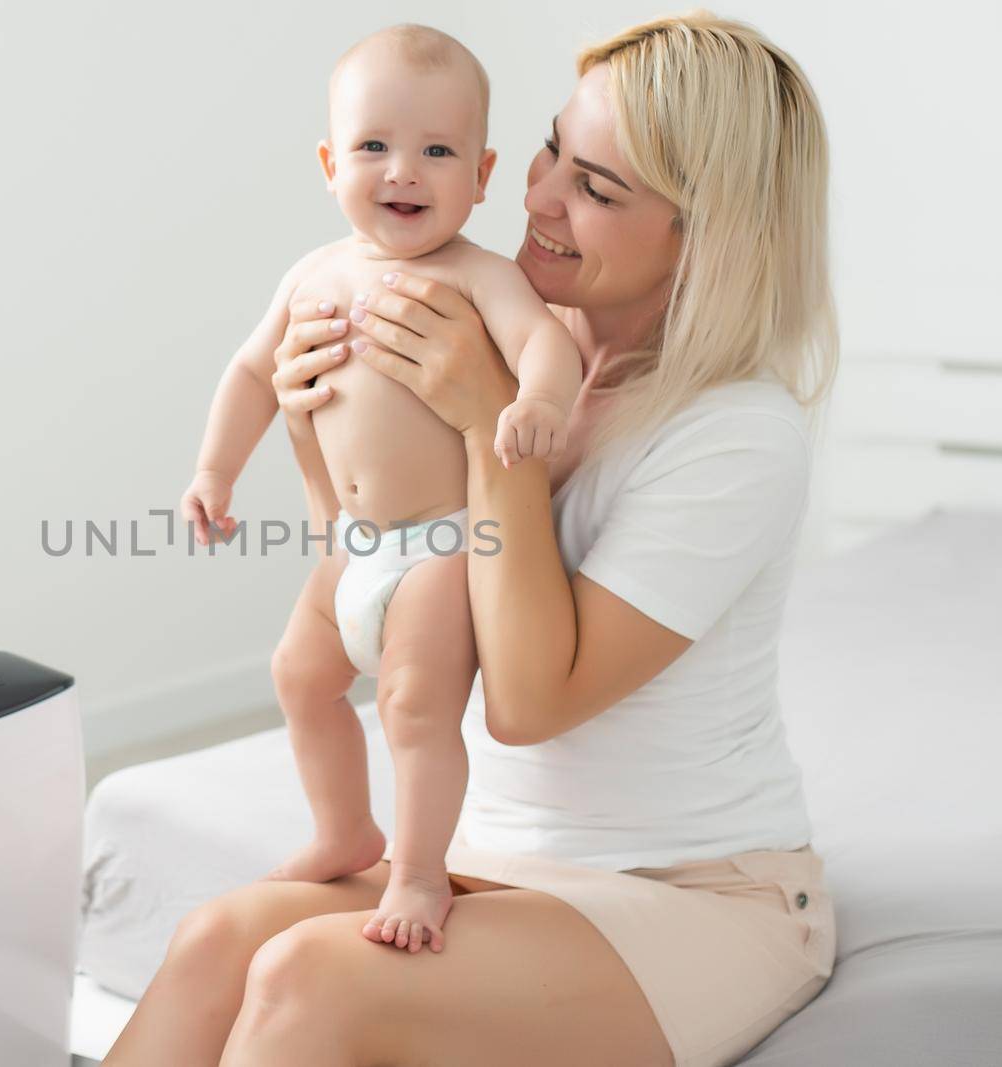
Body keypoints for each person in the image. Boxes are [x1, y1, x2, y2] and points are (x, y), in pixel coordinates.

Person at [110, 10, 839, 1066]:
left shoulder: (734, 434)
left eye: (597, 188)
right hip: (494, 853)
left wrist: (486, 424)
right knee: (215, 937)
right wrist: (308, 429)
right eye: (551, 149)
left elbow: (529, 701)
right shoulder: (514, 329)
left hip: (691, 888)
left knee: (304, 977)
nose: (538, 197)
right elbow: (370, 552)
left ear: (706, 231)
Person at [178, 23, 582, 952]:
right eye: (375, 146)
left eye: (437, 151)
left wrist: (542, 399)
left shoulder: (480, 276)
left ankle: (416, 869)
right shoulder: (314, 272)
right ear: (330, 163)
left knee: (412, 704)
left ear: (481, 176)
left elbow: (543, 344)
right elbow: (251, 374)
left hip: (446, 546)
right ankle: (342, 829)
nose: (404, 170)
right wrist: (213, 469)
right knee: (299, 677)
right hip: (350, 548)